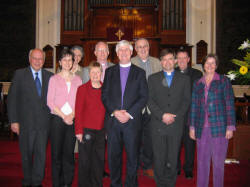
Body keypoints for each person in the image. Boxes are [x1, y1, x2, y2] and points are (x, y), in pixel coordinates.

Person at [102, 40, 148, 187]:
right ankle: (115, 184)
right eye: (120, 50)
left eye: (126, 50)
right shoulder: (109, 72)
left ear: (131, 52)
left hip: (132, 122)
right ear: (116, 53)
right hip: (114, 122)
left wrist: (129, 113)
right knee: (113, 157)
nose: (123, 52)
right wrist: (115, 112)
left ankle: (131, 184)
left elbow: (144, 96)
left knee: (132, 158)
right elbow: (105, 95)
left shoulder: (140, 73)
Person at [7, 48, 53, 187]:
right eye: (35, 58)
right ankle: (27, 181)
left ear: (44, 61)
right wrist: (14, 121)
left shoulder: (50, 76)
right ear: (29, 59)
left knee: (41, 155)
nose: (38, 61)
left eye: (40, 59)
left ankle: (37, 182)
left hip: (43, 124)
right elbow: (12, 99)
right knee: (26, 155)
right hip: (25, 123)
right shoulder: (20, 74)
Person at [189, 53, 236, 187]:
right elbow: (194, 106)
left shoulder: (223, 81)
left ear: (216, 65)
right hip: (201, 128)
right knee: (202, 163)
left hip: (219, 128)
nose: (210, 65)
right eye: (207, 63)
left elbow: (229, 104)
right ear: (203, 65)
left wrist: (230, 126)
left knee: (218, 163)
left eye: (213, 63)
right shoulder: (197, 83)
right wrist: (192, 127)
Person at [148, 49, 191, 187]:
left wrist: (175, 116)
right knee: (159, 156)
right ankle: (160, 183)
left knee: (173, 156)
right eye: (164, 59)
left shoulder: (185, 79)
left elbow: (186, 101)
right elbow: (149, 100)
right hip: (158, 124)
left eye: (170, 59)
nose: (167, 62)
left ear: (175, 61)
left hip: (176, 124)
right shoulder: (153, 78)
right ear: (161, 62)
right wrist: (162, 115)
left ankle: (171, 183)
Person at [47, 48, 82, 187]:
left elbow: (79, 102)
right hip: (57, 119)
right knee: (56, 155)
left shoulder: (78, 79)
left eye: (70, 59)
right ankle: (57, 183)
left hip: (72, 120)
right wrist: (63, 116)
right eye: (65, 59)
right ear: (60, 62)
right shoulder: (54, 79)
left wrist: (71, 116)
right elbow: (50, 102)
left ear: (73, 62)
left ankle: (67, 183)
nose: (68, 62)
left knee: (69, 154)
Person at [131, 38, 162, 177]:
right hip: (136, 107)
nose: (142, 49)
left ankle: (148, 164)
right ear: (135, 49)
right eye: (139, 47)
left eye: (145, 46)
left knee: (150, 139)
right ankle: (135, 164)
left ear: (149, 47)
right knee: (134, 138)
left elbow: (162, 84)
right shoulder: (130, 63)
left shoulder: (157, 62)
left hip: (152, 108)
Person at [75, 62, 106, 187]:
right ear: (89, 73)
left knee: (98, 161)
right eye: (92, 72)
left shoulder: (106, 89)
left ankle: (97, 184)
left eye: (97, 72)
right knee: (85, 161)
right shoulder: (82, 89)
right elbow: (78, 111)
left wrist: (107, 131)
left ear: (101, 73)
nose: (95, 75)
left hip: (101, 130)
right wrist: (78, 131)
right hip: (86, 130)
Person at [175, 48, 203, 178]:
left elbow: (199, 96)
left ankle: (188, 168)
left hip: (190, 115)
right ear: (176, 60)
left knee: (189, 144)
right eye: (179, 58)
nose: (181, 60)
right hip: (175, 116)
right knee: (174, 144)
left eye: (183, 58)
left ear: (188, 59)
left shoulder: (197, 74)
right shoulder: (171, 72)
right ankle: (175, 167)